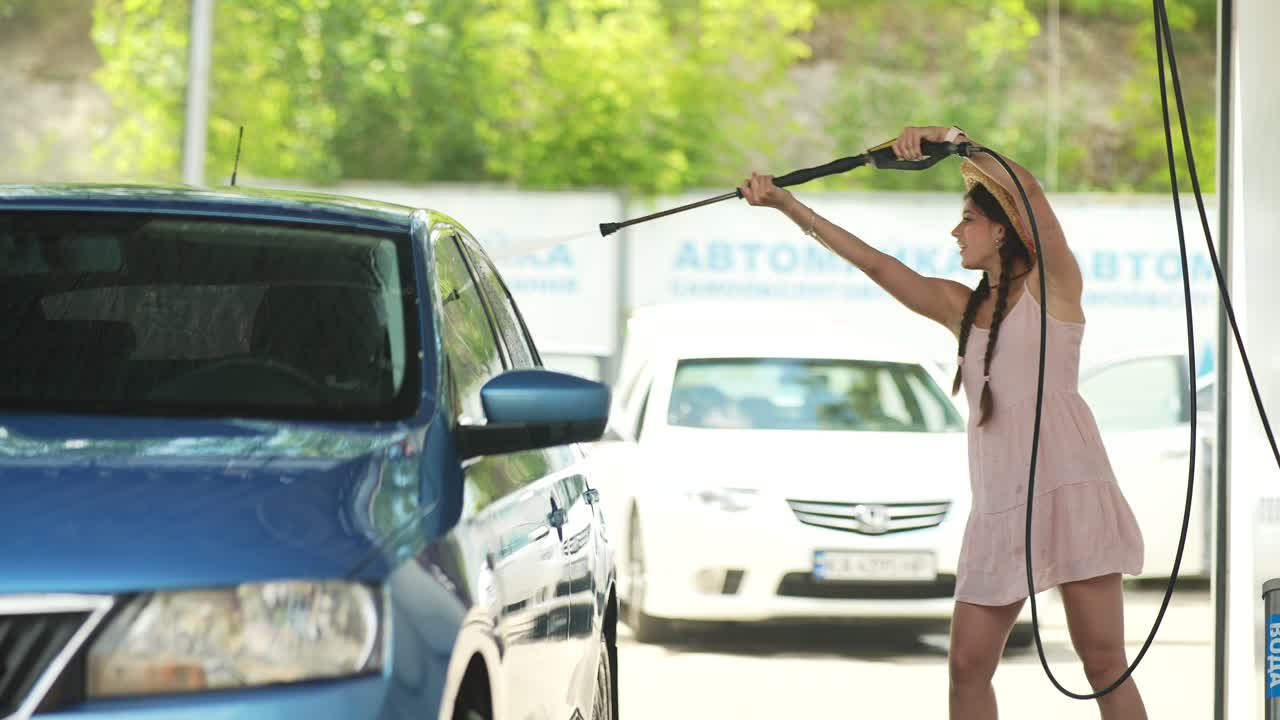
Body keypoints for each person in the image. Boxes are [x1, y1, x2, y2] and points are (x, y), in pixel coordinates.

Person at [739, 125, 1148, 720]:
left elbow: (1031, 195)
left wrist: (960, 143)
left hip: (1071, 492)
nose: (956, 232)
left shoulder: (1054, 287)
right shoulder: (963, 308)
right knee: (966, 669)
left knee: (1104, 665)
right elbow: (877, 266)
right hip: (999, 507)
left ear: (1000, 230)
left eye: (967, 220)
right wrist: (787, 205)